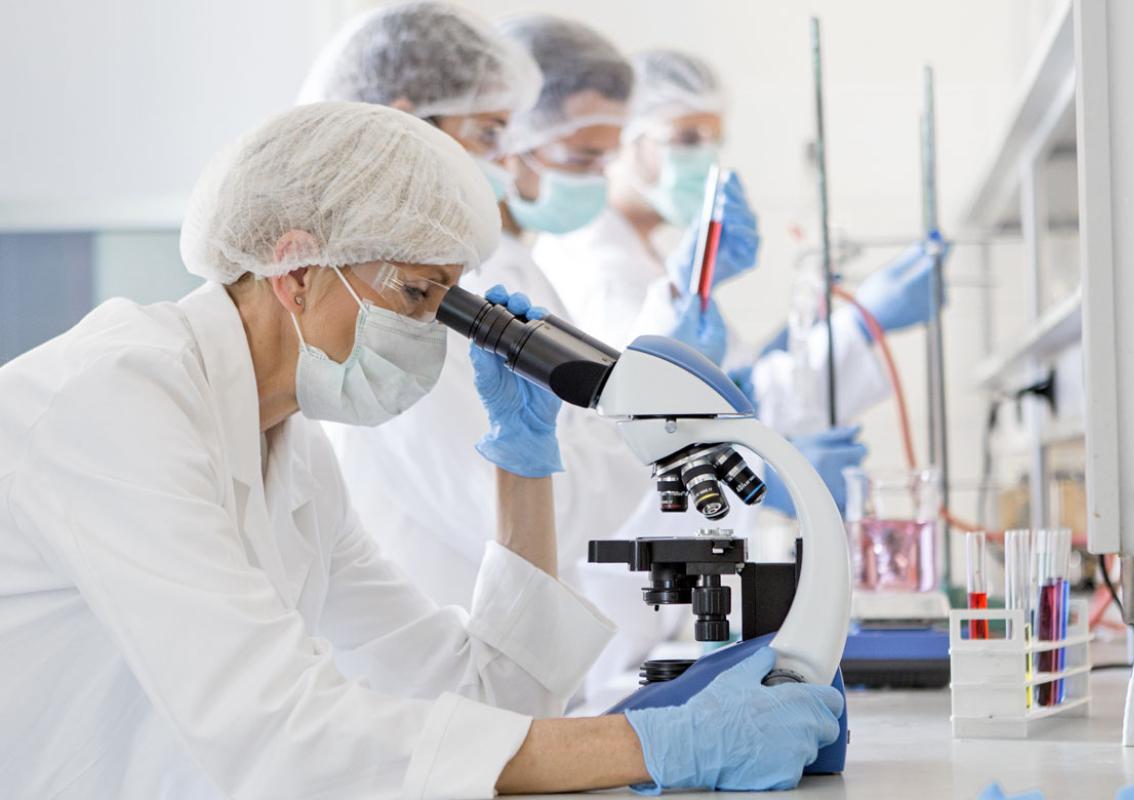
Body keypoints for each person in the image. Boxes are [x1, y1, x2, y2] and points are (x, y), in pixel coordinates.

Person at [0, 101, 843, 797]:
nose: (426, 332)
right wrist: (653, 745)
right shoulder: (113, 404)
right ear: (296, 270)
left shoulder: (292, 457)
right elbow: (280, 733)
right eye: (415, 292)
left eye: (444, 299)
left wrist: (522, 465)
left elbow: (488, 695)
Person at [312, 9, 721, 704]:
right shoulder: (405, 303)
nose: (509, 156)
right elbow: (521, 511)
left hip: (489, 681)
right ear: (408, 124)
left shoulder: (488, 273)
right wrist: (645, 420)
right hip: (432, 687)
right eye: (493, 133)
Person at [534, 49, 945, 511]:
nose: (705, 157)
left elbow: (732, 390)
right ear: (624, 136)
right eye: (687, 137)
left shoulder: (648, 256)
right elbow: (646, 435)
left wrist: (809, 328)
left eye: (714, 140)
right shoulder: (604, 270)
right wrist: (770, 477)